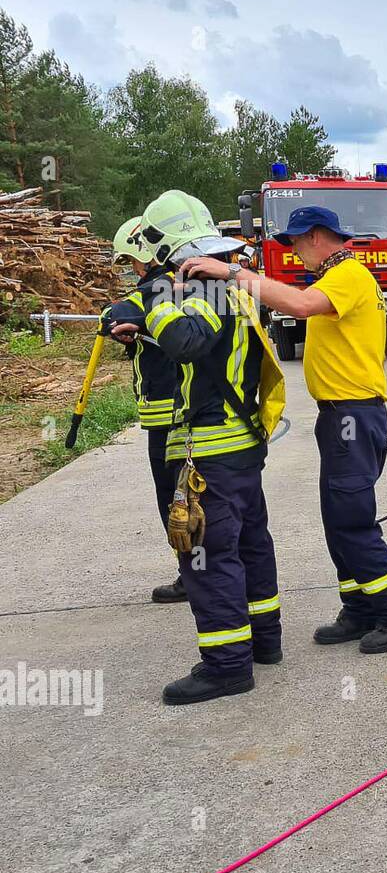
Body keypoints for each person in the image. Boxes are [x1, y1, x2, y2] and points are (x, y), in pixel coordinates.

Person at [181, 205, 387, 655]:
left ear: (315, 235)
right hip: (342, 417)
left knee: (351, 521)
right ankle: (360, 607)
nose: (294, 252)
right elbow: (297, 297)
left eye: (295, 243)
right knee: (338, 520)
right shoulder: (338, 276)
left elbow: (298, 305)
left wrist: (232, 272)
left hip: (352, 417)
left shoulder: (348, 275)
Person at [108, 190, 283, 705]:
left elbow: (187, 342)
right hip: (240, 442)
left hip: (212, 446)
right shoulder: (230, 280)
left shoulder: (204, 286)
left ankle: (227, 665)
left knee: (206, 553)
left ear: (164, 246)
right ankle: (264, 641)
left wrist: (154, 304)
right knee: (251, 543)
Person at [107, 215, 184, 603]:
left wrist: (117, 320)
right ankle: (201, 568)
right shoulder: (186, 283)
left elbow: (118, 313)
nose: (132, 270)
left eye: (132, 261)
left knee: (174, 497)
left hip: (167, 410)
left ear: (147, 254)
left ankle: (192, 572)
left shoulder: (158, 286)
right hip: (177, 407)